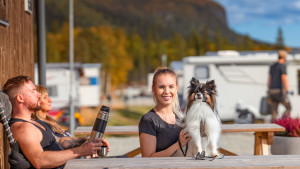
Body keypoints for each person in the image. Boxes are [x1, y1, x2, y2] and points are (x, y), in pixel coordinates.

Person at [3, 75, 109, 168]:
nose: (38, 94)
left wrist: (89, 141)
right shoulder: (23, 128)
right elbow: (39, 160)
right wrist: (80, 151)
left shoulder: (33, 122)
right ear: (20, 98)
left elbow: (59, 141)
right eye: (33, 91)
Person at [138, 67, 191, 157]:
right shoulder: (148, 120)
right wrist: (178, 145)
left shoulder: (181, 118)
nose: (167, 91)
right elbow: (147, 158)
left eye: (171, 86)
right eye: (161, 87)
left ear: (176, 88)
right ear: (153, 89)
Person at [32, 85, 86, 149]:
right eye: (45, 97)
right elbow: (59, 142)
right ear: (36, 102)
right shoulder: (39, 125)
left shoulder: (50, 121)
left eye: (48, 97)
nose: (50, 100)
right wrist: (85, 143)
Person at [268, 50, 292, 122]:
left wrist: (269, 90)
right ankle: (283, 122)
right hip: (279, 91)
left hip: (272, 90)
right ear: (284, 57)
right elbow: (284, 78)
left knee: (274, 110)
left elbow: (269, 79)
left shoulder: (272, 66)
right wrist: (287, 90)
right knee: (288, 107)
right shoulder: (282, 66)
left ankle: (273, 128)